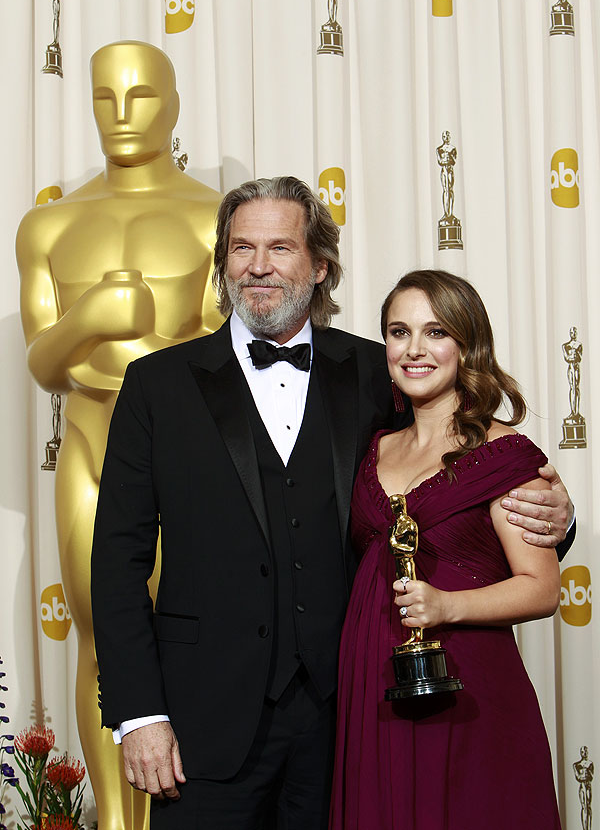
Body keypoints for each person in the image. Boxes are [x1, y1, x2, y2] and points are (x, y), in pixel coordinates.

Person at [91, 183, 573, 830]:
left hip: (350, 718)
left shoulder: (381, 372)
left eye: (281, 247)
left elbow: (461, 476)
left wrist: (555, 517)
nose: (258, 265)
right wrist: (139, 714)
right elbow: (116, 561)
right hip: (199, 723)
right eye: (242, 248)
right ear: (223, 263)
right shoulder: (157, 385)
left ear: (319, 266)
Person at [17, 40, 222, 830]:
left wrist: (145, 341)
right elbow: (42, 362)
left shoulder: (217, 218)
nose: (123, 114)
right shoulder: (48, 226)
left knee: (192, 635)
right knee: (102, 638)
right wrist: (88, 321)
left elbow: (226, 355)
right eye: (106, 97)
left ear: (173, 103)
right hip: (91, 448)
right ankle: (113, 822)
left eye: (140, 96)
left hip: (187, 457)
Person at [329, 269, 564, 829]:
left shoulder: (502, 452)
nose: (414, 350)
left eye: (435, 332)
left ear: (467, 344)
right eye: (398, 331)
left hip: (467, 688)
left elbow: (544, 588)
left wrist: (446, 606)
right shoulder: (373, 448)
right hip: (372, 688)